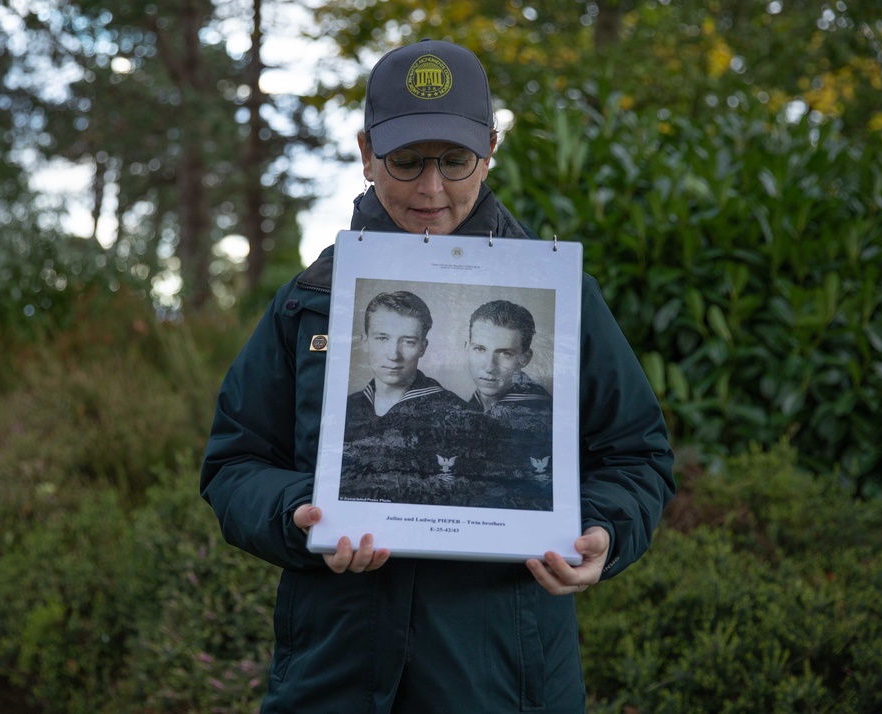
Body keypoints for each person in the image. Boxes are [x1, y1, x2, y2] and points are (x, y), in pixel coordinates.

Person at [200, 38, 675, 713]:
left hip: (505, 683)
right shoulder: (309, 302)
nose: (431, 188)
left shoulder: (565, 298)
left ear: (490, 149)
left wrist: (604, 530)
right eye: (406, 160)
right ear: (366, 153)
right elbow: (234, 463)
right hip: (332, 679)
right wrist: (298, 516)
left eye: (455, 161)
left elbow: (638, 456)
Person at [339, 290, 471, 504]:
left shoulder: (459, 415)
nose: (393, 354)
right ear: (365, 342)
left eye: (408, 341)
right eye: (382, 338)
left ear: (423, 347)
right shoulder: (344, 409)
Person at [465, 299, 554, 495]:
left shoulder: (545, 417)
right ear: (467, 348)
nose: (489, 367)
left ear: (525, 358)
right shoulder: (462, 408)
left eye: (505, 353)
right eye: (480, 349)